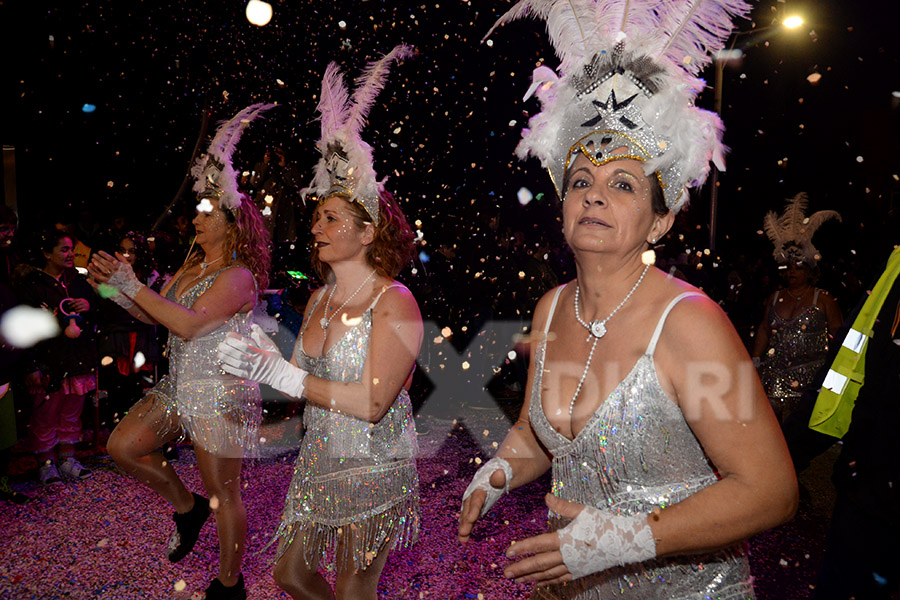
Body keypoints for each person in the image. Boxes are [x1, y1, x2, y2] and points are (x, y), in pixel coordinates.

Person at [458, 2, 798, 598]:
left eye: (622, 184)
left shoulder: (690, 322)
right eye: (582, 180)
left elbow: (769, 491)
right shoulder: (551, 308)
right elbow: (541, 436)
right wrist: (497, 472)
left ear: (660, 223)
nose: (594, 196)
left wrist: (624, 540)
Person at [217, 47, 420, 600]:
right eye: (315, 218)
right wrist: (261, 357)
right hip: (319, 461)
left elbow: (374, 402)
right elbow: (300, 380)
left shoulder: (395, 301)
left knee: (356, 593)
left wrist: (285, 377)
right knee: (289, 574)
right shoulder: (318, 300)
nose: (317, 227)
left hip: (373, 464)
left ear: (367, 232)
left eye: (330, 218)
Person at [88, 103, 274, 600]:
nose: (195, 217)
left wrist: (133, 285)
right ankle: (186, 508)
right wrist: (116, 289)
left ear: (232, 224)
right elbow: (158, 317)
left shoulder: (238, 277)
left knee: (224, 495)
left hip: (220, 394)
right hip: (178, 388)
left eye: (205, 212)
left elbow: (189, 326)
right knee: (122, 447)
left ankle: (229, 585)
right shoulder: (186, 270)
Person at [15, 228, 97, 485]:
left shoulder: (78, 281)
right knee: (45, 412)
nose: (71, 254)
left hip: (77, 360)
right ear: (46, 253)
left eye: (71, 249)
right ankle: (46, 462)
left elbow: (99, 313)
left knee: (71, 411)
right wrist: (31, 366)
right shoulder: (33, 286)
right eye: (64, 249)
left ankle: (67, 458)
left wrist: (89, 305)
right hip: (49, 360)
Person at [752, 193, 843, 422]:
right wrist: (754, 361)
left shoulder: (823, 299)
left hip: (810, 382)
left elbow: (838, 335)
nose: (791, 271)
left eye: (798, 267)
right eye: (788, 267)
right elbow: (764, 329)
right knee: (772, 432)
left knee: (798, 436)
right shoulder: (775, 297)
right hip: (773, 378)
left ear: (810, 270)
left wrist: (834, 376)